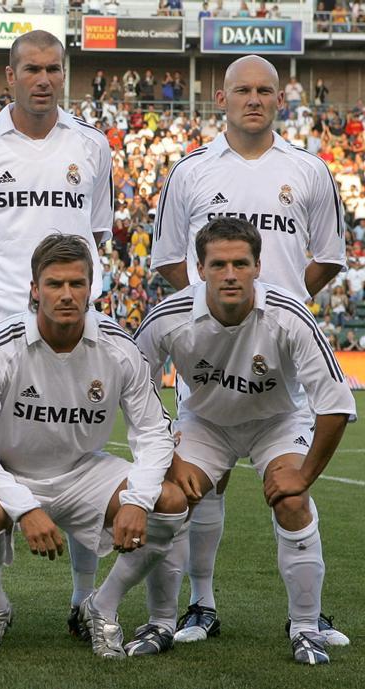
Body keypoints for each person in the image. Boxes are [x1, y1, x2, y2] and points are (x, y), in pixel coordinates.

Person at [150, 55, 348, 646]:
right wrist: (218, 316)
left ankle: (307, 618)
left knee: (290, 488)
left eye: (265, 90)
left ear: (279, 99)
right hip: (210, 368)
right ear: (222, 98)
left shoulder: (310, 170)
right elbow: (167, 261)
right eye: (243, 90)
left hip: (281, 363)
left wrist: (274, 307)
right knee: (198, 487)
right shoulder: (188, 172)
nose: (254, 99)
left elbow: (330, 255)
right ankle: (201, 606)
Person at [0, 30, 114, 640]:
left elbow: (97, 235)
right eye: (32, 69)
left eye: (54, 70)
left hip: (73, 324)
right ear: (9, 77)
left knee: (80, 448)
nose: (44, 79)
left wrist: (59, 296)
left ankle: (87, 602)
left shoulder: (91, 146)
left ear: (65, 75)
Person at [0, 234, 186, 659]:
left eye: (76, 284)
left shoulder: (119, 348)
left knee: (168, 502)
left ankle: (102, 605)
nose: (66, 295)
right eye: (55, 284)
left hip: (83, 471)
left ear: (90, 289)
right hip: (11, 470)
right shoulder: (2, 348)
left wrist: (138, 498)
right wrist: (24, 507)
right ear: (34, 289)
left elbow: (154, 432)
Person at [135, 218, 356, 664]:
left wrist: (304, 475)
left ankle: (306, 625)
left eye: (241, 263)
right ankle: (164, 621)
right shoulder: (168, 317)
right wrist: (168, 456)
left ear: (258, 266)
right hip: (206, 421)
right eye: (218, 264)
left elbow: (335, 404)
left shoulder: (290, 314)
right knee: (169, 498)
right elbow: (132, 389)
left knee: (292, 502)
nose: (230, 274)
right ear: (199, 269)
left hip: (277, 419)